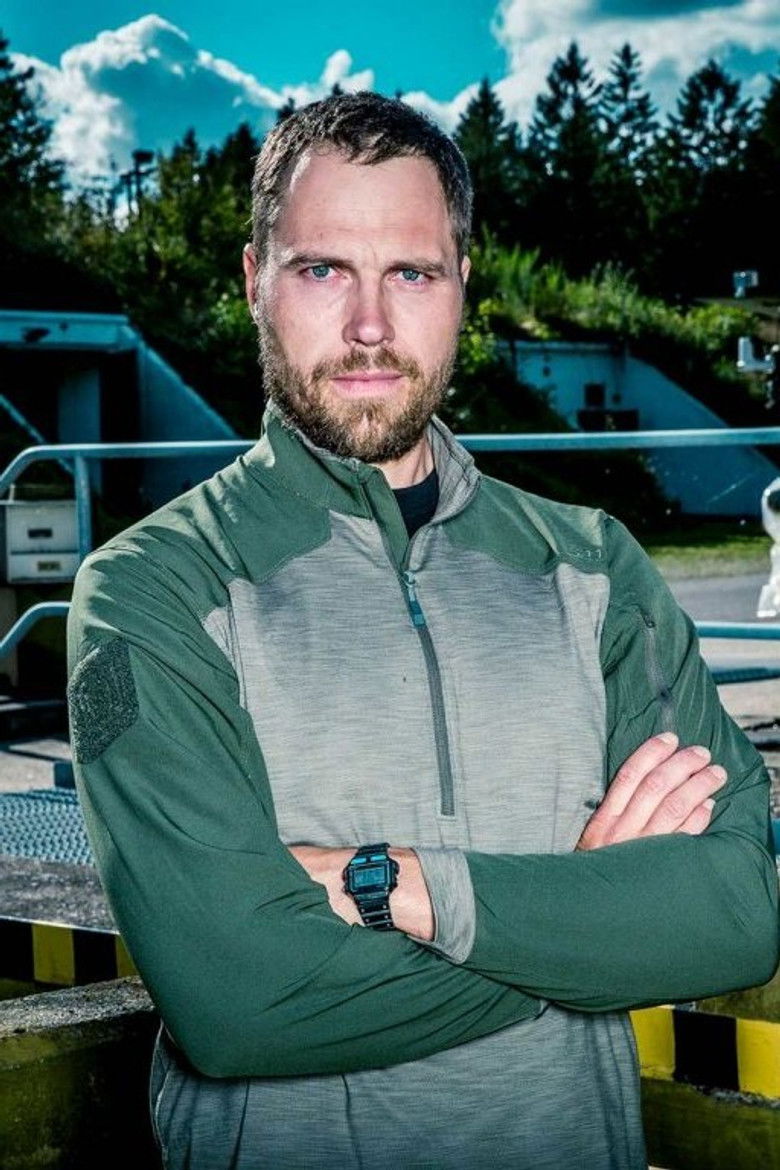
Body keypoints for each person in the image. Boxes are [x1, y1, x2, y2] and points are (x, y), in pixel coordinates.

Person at [66, 92, 779, 1170]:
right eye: (322, 270)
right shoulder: (149, 589)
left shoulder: (592, 565)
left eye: (411, 273)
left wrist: (400, 882)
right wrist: (582, 920)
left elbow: (733, 911)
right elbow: (239, 999)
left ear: (461, 287)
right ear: (255, 281)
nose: (369, 325)